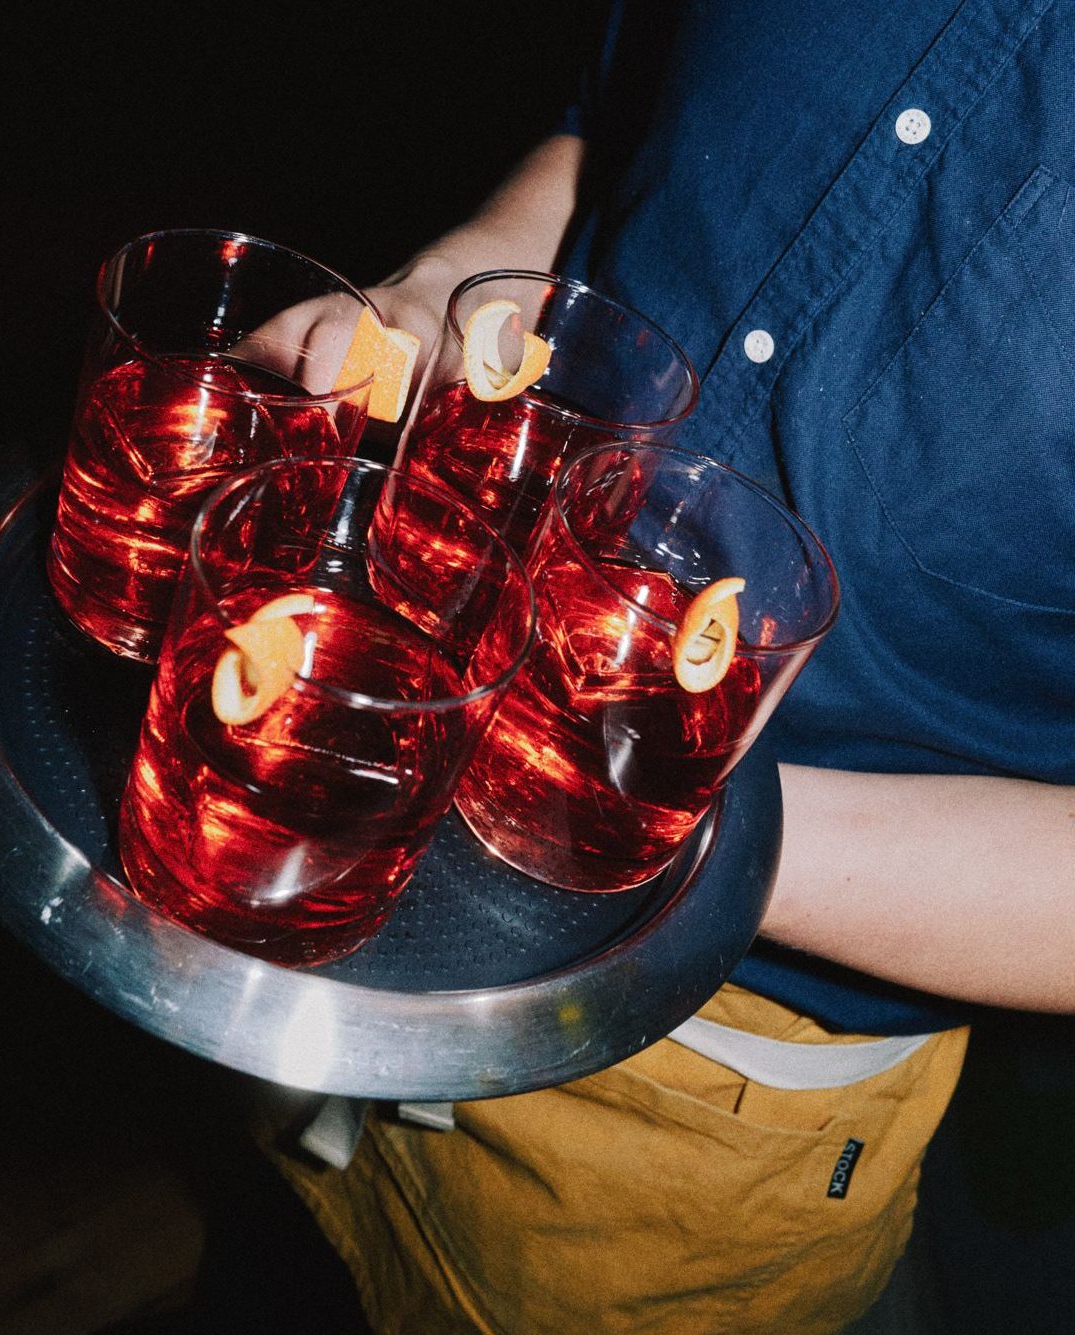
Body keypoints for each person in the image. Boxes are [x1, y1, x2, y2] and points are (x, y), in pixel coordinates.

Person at [248, 1, 1075, 1332]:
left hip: (708, 1086)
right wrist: (454, 284)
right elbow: (619, 113)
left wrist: (673, 817)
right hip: (384, 757)